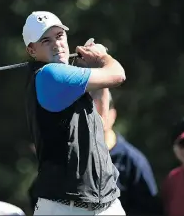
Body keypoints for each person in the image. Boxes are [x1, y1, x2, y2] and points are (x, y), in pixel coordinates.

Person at [23, 11, 126, 215]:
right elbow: (117, 75)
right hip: (65, 207)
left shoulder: (63, 76)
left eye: (60, 36)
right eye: (46, 40)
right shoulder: (49, 75)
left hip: (106, 203)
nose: (56, 45)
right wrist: (103, 57)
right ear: (32, 50)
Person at [91, 89, 161, 216]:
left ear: (113, 115)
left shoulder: (133, 161)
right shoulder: (73, 157)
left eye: (103, 109)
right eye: (92, 110)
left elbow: (150, 209)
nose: (97, 117)